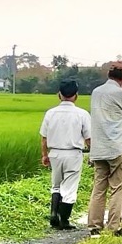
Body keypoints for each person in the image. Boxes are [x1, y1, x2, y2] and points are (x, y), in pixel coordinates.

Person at [88, 61, 122, 238]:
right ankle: (114, 226)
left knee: (99, 187)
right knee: (118, 188)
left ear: (108, 75)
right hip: (118, 146)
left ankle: (94, 226)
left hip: (99, 146)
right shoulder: (121, 93)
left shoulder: (96, 92)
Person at [40, 79, 91, 230]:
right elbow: (89, 139)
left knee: (56, 185)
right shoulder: (82, 114)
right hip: (73, 154)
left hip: (54, 153)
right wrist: (93, 155)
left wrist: (44, 155)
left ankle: (54, 214)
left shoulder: (50, 113)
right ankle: (64, 220)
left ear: (59, 95)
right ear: (76, 96)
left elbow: (44, 137)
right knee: (69, 187)